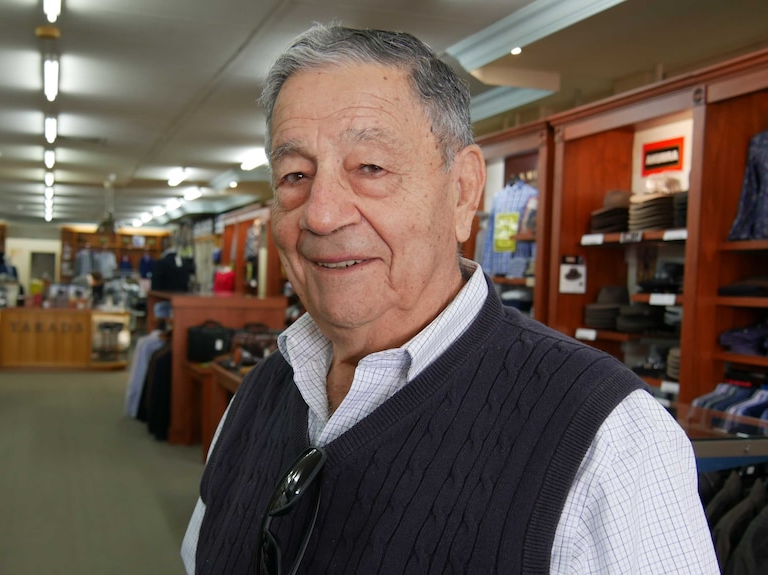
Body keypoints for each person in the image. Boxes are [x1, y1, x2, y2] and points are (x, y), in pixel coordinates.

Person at [181, 24, 718, 574]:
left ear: (462, 190)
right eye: (295, 174)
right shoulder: (259, 395)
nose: (320, 213)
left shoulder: (608, 442)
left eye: (370, 168)